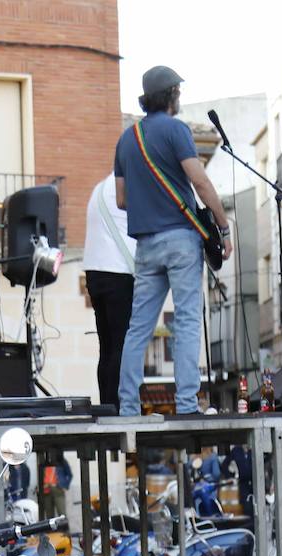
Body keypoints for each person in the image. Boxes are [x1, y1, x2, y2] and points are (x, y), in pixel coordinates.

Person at [113, 66, 232, 416]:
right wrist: (223, 228)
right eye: (178, 91)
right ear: (171, 96)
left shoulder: (126, 139)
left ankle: (129, 408)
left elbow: (122, 200)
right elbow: (201, 183)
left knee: (139, 328)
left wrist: (150, 202)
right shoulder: (176, 130)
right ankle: (185, 404)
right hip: (180, 239)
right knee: (188, 320)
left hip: (145, 244)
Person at [83, 176, 136, 409]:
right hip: (119, 271)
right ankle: (119, 406)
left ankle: (107, 405)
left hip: (94, 271)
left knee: (106, 347)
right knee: (121, 344)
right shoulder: (129, 185)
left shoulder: (99, 187)